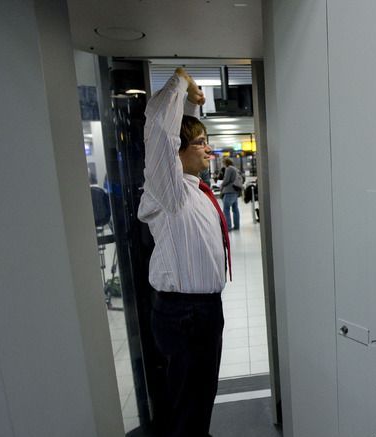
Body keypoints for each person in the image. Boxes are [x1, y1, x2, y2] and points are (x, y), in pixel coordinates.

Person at [137, 67, 230, 437]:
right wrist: (180, 83)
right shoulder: (170, 192)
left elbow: (181, 141)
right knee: (184, 402)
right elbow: (161, 131)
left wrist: (192, 107)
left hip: (206, 308)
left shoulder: (195, 190)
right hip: (182, 311)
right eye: (200, 143)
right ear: (177, 154)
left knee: (201, 396)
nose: (209, 149)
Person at [220, 157, 242, 230]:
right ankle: (237, 226)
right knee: (235, 209)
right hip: (235, 191)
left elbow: (226, 180)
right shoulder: (235, 169)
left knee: (226, 209)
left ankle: (228, 227)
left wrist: (221, 185)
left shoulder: (229, 169)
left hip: (229, 191)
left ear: (226, 162)